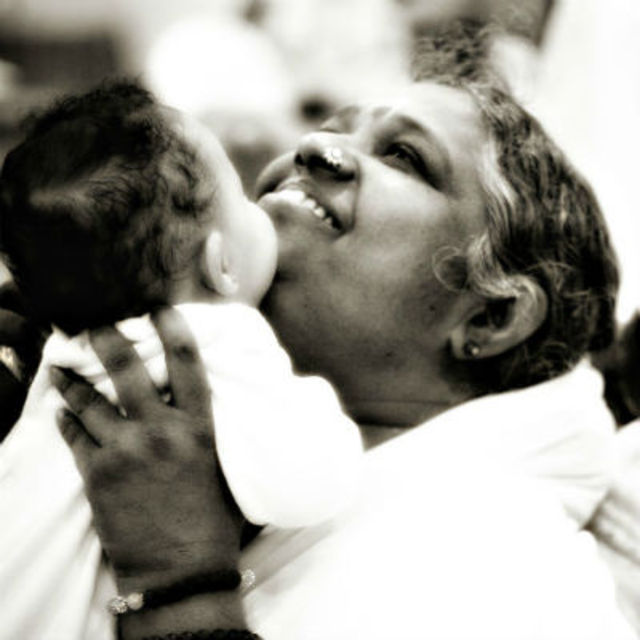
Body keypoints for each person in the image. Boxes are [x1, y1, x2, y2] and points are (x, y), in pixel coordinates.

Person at [3, 22, 636, 640]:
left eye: (404, 156)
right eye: (331, 126)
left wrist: (179, 583)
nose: (310, 148)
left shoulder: (517, 579)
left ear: (490, 317)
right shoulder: (138, 393)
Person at [0, 81, 362, 639]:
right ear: (222, 266)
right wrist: (319, 409)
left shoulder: (60, 355)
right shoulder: (221, 337)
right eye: (241, 198)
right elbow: (308, 483)